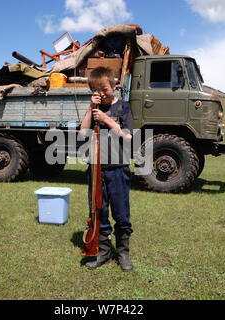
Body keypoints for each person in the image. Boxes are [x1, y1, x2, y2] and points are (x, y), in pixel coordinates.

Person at [80, 67, 134, 271]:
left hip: (118, 169)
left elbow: (128, 136)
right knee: (98, 212)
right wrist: (90, 110)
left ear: (114, 86)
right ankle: (103, 252)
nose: (101, 94)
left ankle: (123, 253)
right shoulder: (93, 110)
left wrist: (107, 120)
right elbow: (83, 133)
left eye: (104, 89)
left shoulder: (124, 107)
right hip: (95, 171)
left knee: (121, 214)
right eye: (96, 90)